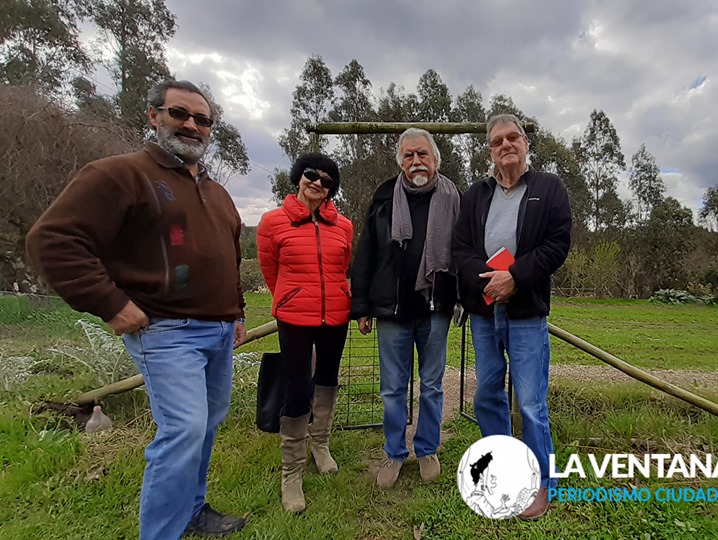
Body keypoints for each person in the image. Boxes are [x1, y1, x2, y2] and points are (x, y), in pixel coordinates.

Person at [26, 80, 247, 539]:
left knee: (205, 426)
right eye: (179, 114)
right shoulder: (121, 174)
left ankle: (193, 511)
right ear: (153, 115)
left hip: (219, 330)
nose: (192, 125)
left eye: (202, 119)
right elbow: (53, 240)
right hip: (167, 331)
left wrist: (237, 312)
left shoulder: (217, 192)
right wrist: (111, 304)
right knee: (184, 429)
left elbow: (229, 257)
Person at [451, 113, 572, 520]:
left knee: (532, 403)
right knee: (487, 394)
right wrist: (488, 282)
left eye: (513, 137)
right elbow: (461, 248)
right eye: (497, 141)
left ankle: (543, 484)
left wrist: (515, 277)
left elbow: (557, 244)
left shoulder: (549, 188)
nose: (506, 145)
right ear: (489, 150)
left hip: (526, 312)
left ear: (525, 143)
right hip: (484, 312)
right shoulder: (475, 194)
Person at [350, 128, 460, 489]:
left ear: (436, 159)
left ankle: (427, 449)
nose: (416, 161)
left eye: (422, 154)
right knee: (393, 388)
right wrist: (362, 306)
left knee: (432, 385)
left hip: (436, 308)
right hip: (392, 311)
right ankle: (394, 453)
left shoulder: (453, 198)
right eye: (409, 155)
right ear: (400, 162)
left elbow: (464, 252)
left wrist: (464, 297)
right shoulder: (384, 198)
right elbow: (366, 253)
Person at [256, 153, 353, 513]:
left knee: (327, 379)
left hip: (336, 315)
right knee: (297, 389)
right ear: (299, 176)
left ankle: (321, 445)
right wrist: (290, 297)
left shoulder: (343, 226)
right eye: (311, 174)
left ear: (331, 189)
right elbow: (270, 270)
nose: (317, 183)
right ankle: (291, 472)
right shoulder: (272, 222)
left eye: (327, 181)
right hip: (295, 317)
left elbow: (343, 266)